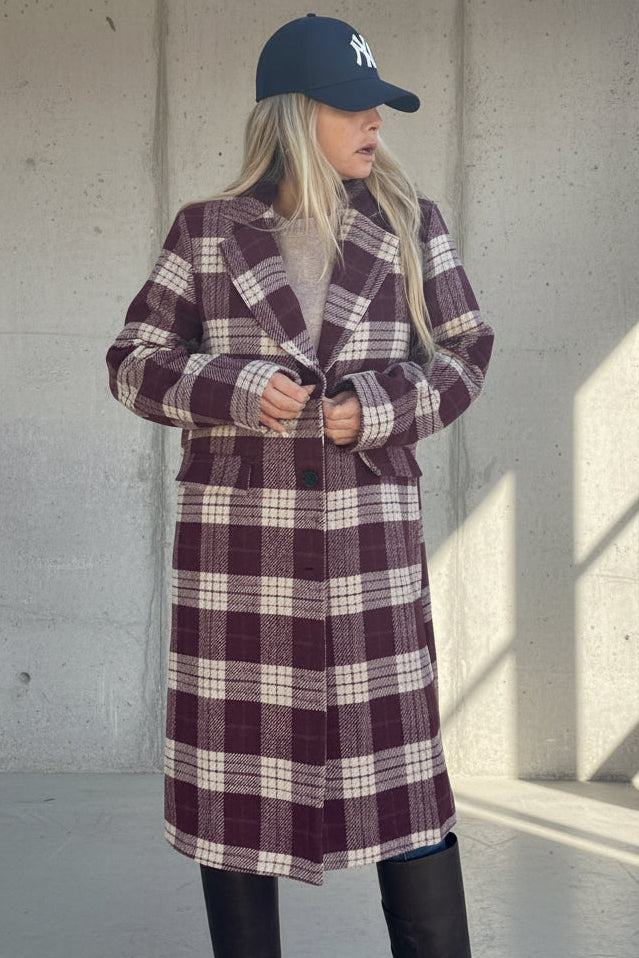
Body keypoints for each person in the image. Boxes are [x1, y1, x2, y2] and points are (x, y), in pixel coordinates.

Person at [106, 13, 493, 957]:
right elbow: (133, 361)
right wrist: (236, 388)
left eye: (377, 107)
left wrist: (381, 407)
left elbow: (465, 351)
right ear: (292, 115)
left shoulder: (411, 222)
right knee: (235, 799)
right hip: (239, 564)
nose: (374, 123)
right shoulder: (206, 230)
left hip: (369, 556)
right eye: (351, 106)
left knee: (405, 791)